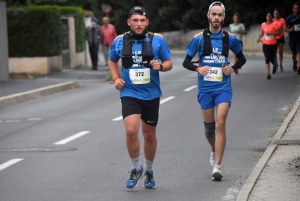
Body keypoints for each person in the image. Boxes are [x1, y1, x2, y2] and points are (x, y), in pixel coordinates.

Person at [108, 6, 173, 189]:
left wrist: (161, 66)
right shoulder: (120, 41)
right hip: (129, 93)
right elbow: (112, 60)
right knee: (131, 131)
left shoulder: (158, 40)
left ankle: (149, 171)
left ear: (147, 22)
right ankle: (136, 167)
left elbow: (169, 63)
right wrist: (116, 78)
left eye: (142, 20)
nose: (139, 24)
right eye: (135, 20)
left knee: (149, 135)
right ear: (129, 22)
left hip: (151, 94)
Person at [182, 1, 246, 181]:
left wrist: (232, 68)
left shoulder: (229, 38)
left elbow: (242, 58)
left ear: (223, 18)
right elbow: (186, 61)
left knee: (221, 122)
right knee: (209, 130)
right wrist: (197, 69)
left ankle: (217, 166)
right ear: (208, 16)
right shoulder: (199, 39)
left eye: (220, 15)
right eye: (214, 14)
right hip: (205, 89)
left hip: (223, 87)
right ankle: (213, 149)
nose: (217, 18)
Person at [257, 12, 279, 80]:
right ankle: (268, 73)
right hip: (265, 43)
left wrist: (271, 33)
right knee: (267, 57)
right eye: (267, 16)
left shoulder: (274, 24)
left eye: (270, 16)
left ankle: (274, 64)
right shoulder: (263, 24)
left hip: (273, 44)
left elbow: (278, 33)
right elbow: (262, 33)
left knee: (271, 56)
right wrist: (259, 37)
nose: (268, 17)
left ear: (271, 17)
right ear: (266, 17)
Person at [284, 2, 300, 74]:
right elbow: (284, 28)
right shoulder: (289, 18)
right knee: (294, 54)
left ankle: (299, 67)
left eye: (298, 9)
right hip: (292, 38)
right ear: (293, 9)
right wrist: (289, 30)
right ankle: (294, 62)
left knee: (299, 53)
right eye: (295, 9)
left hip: (299, 38)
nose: (296, 10)